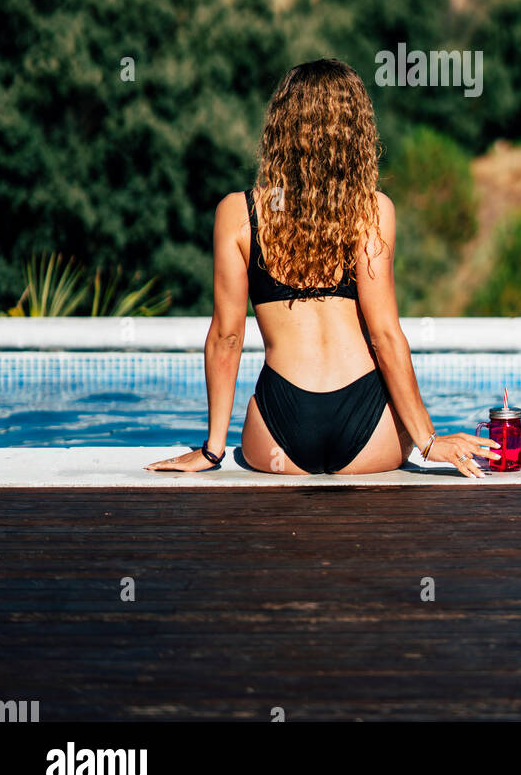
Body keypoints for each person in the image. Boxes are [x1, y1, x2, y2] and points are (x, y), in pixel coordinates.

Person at [146, 59, 498, 479]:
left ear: (280, 128)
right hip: (369, 431)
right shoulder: (373, 211)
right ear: (356, 132)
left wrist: (212, 450)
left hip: (279, 432)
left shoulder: (239, 213)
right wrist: (427, 440)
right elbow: (386, 337)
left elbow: (227, 335)